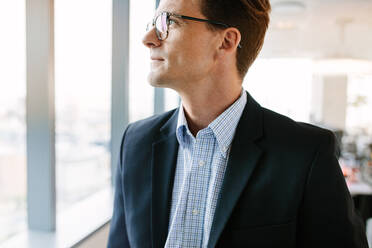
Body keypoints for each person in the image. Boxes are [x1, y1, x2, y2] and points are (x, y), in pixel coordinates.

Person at [107, 0, 368, 247]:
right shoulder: (135, 142)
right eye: (152, 23)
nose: (148, 38)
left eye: (168, 21)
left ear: (226, 41)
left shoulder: (305, 153)